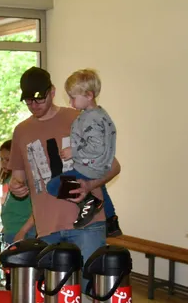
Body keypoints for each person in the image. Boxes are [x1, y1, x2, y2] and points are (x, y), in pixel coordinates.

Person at [8, 67, 120, 278]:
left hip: (87, 224)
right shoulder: (21, 131)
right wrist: (16, 186)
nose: (34, 105)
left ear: (52, 92)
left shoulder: (79, 117)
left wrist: (89, 186)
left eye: (39, 99)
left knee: (91, 289)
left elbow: (113, 166)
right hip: (47, 228)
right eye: (29, 101)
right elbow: (18, 177)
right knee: (54, 297)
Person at [44, 69, 121, 235]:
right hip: (102, 165)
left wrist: (74, 152)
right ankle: (111, 220)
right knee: (103, 191)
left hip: (89, 166)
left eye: (73, 98)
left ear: (89, 95)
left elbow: (95, 146)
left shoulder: (90, 118)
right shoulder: (101, 113)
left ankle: (88, 200)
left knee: (52, 186)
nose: (71, 103)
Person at [0, 139, 35, 244]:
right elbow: (7, 206)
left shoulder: (25, 180)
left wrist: (23, 231)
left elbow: (37, 210)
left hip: (25, 232)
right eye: (1, 159)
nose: (3, 163)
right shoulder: (7, 179)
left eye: (7, 159)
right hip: (10, 231)